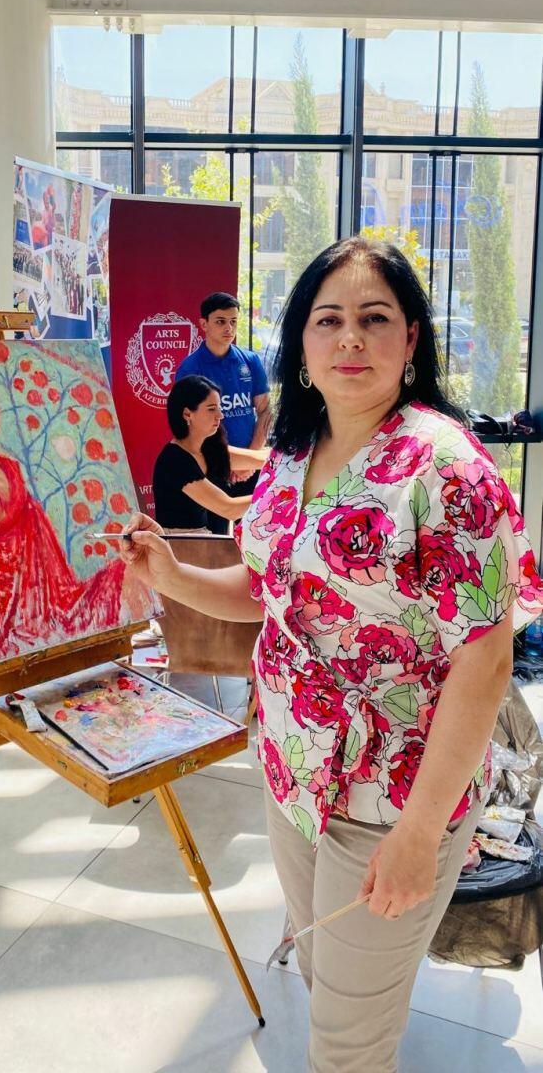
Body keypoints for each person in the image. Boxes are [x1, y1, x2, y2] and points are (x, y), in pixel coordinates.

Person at [120, 237, 543, 1072]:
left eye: (374, 318)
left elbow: (486, 663)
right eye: (329, 319)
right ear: (302, 343)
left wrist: (420, 833)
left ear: (410, 338)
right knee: (328, 980)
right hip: (291, 769)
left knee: (347, 1045)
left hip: (393, 793)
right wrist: (170, 575)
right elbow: (266, 590)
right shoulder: (291, 452)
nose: (350, 337)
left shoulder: (449, 470)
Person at [0, 354, 128, 667]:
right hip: (14, 629)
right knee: (125, 576)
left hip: (53, 602)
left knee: (129, 570)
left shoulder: (4, 465)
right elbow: (6, 572)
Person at [174, 292, 270, 491]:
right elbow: (188, 425)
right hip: (211, 466)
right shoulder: (190, 368)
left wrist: (248, 460)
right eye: (220, 321)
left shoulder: (251, 361)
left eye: (233, 321)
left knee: (252, 512)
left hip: (249, 467)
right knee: (218, 514)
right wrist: (228, 462)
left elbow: (265, 411)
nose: (229, 328)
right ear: (204, 324)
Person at [153, 375, 266, 534]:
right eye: (212, 409)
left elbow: (262, 459)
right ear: (187, 414)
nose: (220, 415)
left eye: (219, 407)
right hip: (179, 545)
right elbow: (229, 509)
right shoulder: (174, 461)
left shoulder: (207, 448)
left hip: (204, 540)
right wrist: (277, 495)